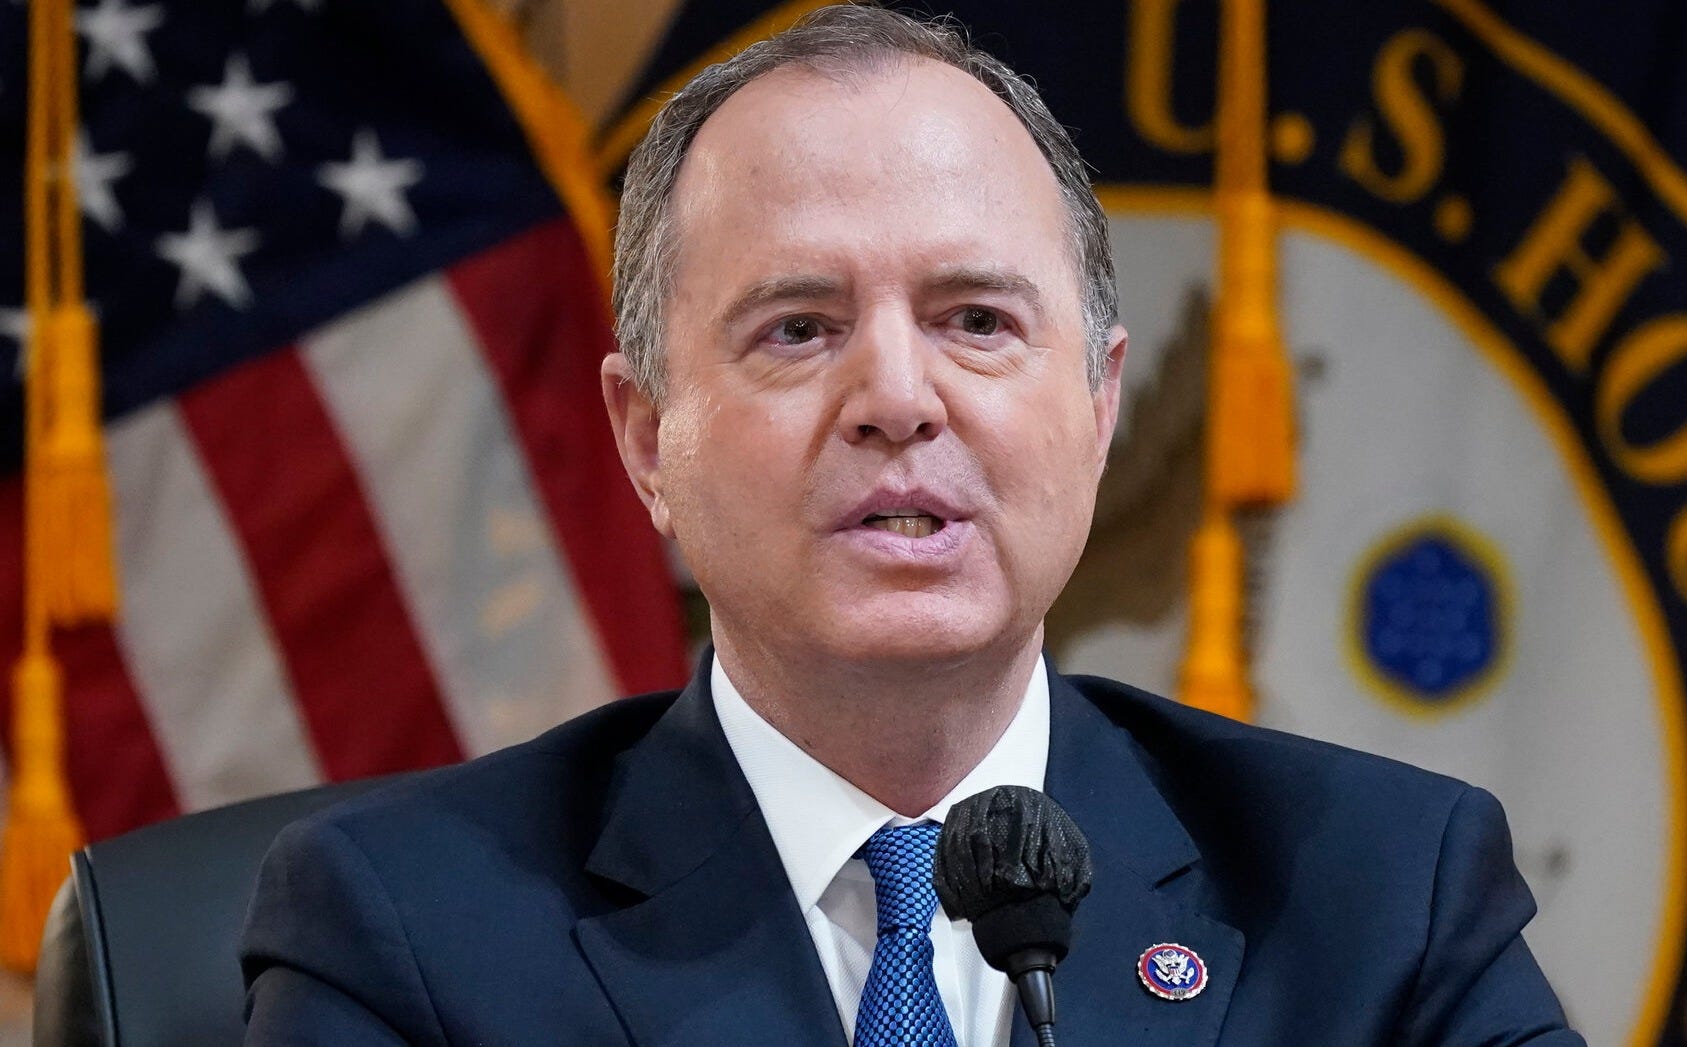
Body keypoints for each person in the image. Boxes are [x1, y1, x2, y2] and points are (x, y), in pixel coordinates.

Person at [240, 5, 1582, 1044]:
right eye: (799, 328)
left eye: (976, 320)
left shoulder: (1380, 898)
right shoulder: (405, 933)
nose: (896, 398)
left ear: (1100, 406)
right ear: (647, 440)